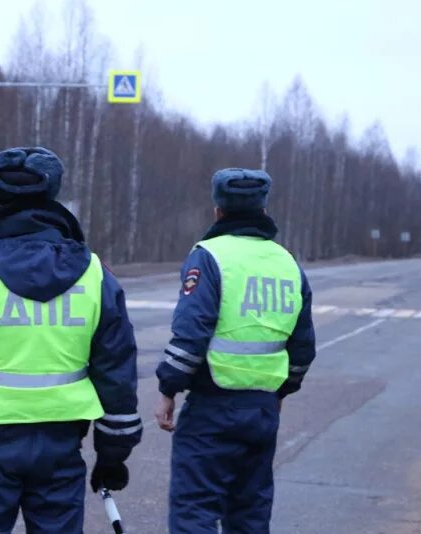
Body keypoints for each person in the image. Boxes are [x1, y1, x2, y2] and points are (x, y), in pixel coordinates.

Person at [0, 147, 142, 533]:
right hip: (61, 445)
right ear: (53, 195)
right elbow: (117, 369)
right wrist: (113, 451)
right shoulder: (96, 275)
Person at [154, 168, 316, 533]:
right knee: (250, 513)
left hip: (213, 408)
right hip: (261, 411)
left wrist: (168, 389)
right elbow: (303, 346)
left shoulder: (209, 255)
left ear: (218, 211)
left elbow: (191, 333)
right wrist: (282, 391)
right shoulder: (286, 262)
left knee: (194, 510)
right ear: (262, 207)